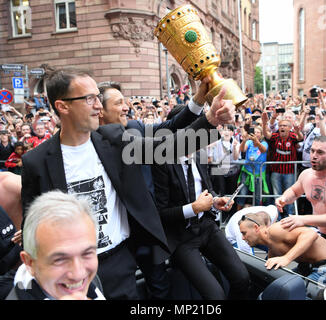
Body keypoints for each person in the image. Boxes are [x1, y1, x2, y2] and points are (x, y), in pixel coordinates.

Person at [20, 67, 235, 300]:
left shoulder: (113, 139)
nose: (98, 106)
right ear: (63, 106)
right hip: (70, 272)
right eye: (90, 98)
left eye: (98, 98)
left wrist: (210, 120)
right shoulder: (36, 161)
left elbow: (168, 148)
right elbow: (32, 223)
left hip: (120, 262)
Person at [97, 79, 209, 299]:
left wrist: (199, 101)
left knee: (159, 287)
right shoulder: (87, 145)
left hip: (144, 230)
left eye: (125, 101)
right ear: (100, 110)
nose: (126, 107)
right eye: (119, 103)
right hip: (110, 242)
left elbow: (171, 127)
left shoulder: (135, 128)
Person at [152, 105, 250, 300]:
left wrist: (215, 200)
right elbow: (160, 212)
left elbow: (206, 190)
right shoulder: (161, 162)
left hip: (206, 228)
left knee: (242, 278)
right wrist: (193, 208)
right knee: (215, 295)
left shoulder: (199, 156)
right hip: (181, 238)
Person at [6, 190, 105, 300]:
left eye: (87, 254)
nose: (78, 274)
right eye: (60, 260)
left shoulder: (92, 282)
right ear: (30, 263)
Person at [277, 136, 326, 261]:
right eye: (312, 151)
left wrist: (304, 220)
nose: (314, 156)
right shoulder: (306, 174)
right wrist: (284, 198)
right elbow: (294, 191)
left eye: (320, 152)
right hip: (319, 235)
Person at [239, 212, 326, 287]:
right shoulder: (271, 247)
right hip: (308, 267)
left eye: (244, 233)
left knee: (297, 294)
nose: (243, 238)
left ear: (256, 228)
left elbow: (311, 234)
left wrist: (287, 258)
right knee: (280, 287)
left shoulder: (275, 230)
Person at [262, 116, 302, 218]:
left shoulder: (293, 136)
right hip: (276, 171)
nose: (282, 127)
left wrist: (298, 131)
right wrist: (264, 123)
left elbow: (300, 138)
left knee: (290, 195)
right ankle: (278, 217)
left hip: (289, 172)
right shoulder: (275, 136)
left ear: (289, 128)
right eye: (280, 125)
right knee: (277, 195)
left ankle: (290, 216)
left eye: (284, 125)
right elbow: (267, 135)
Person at [237, 125, 269, 210]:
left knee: (258, 196)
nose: (256, 134)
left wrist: (257, 142)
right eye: (254, 132)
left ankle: (257, 214)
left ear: (261, 134)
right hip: (247, 172)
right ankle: (237, 213)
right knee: (242, 194)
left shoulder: (264, 143)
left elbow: (263, 150)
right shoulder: (249, 142)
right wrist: (244, 140)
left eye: (258, 132)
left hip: (258, 174)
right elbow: (242, 149)